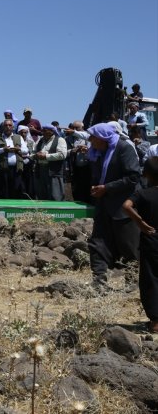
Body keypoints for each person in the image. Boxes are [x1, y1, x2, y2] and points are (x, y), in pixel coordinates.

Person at [86, 123, 141, 291]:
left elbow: (133, 177)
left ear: (103, 137)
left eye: (93, 137)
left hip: (123, 207)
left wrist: (107, 188)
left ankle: (132, 283)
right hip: (104, 205)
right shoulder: (98, 153)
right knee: (97, 243)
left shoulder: (124, 148)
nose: (90, 140)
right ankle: (99, 280)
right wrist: (97, 188)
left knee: (129, 246)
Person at [122, 157, 158, 332]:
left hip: (151, 240)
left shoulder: (143, 193)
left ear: (146, 174)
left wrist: (140, 222)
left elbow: (127, 206)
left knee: (150, 279)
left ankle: (156, 321)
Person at [34, 124, 68, 201]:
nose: (42, 132)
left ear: (51, 131)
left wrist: (46, 156)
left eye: (45, 131)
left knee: (56, 195)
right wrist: (35, 155)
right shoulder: (40, 141)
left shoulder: (60, 140)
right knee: (42, 195)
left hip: (54, 171)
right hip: (41, 170)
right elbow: (34, 152)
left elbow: (62, 155)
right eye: (42, 130)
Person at [0, 119, 27, 199]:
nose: (8, 127)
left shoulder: (18, 137)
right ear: (3, 127)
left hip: (16, 169)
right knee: (4, 190)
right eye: (6, 125)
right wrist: (3, 149)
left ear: (13, 127)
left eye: (10, 125)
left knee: (16, 190)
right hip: (3, 169)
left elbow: (26, 151)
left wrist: (18, 149)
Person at [65, 121, 91, 203]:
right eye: (73, 128)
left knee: (86, 187)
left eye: (77, 128)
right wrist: (73, 151)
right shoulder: (68, 139)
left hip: (87, 167)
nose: (75, 130)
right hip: (74, 167)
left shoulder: (88, 137)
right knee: (75, 188)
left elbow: (93, 150)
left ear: (82, 128)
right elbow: (64, 152)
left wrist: (86, 149)